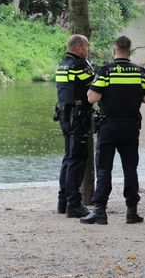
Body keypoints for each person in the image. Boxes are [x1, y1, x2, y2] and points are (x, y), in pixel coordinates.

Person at [80, 36, 145, 225]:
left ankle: (100, 211)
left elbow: (92, 98)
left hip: (108, 126)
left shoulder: (106, 71)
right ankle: (131, 211)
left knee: (104, 168)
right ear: (130, 52)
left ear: (114, 51)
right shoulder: (139, 72)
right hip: (130, 127)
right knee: (130, 168)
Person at [55, 34, 94, 218]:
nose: (88, 50)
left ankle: (63, 201)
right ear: (79, 48)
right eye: (86, 47)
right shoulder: (79, 65)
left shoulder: (62, 64)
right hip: (77, 117)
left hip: (64, 115)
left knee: (68, 158)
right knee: (77, 159)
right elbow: (95, 85)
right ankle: (74, 204)